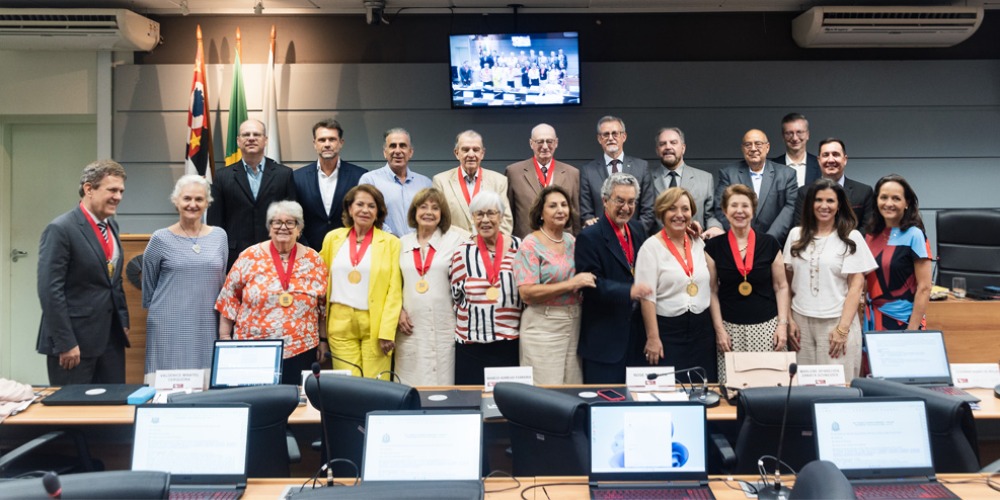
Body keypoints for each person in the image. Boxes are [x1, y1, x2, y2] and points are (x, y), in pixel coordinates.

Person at [37, 160, 130, 385]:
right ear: (89, 189)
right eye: (112, 190)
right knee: (73, 415)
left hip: (111, 340)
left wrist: (123, 321)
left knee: (111, 413)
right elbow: (50, 290)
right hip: (74, 345)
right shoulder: (61, 229)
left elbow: (113, 282)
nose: (118, 196)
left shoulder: (112, 227)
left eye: (121, 191)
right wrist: (65, 342)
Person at [215, 201, 329, 385]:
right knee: (258, 402)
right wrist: (225, 338)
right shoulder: (249, 256)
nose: (283, 227)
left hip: (301, 348)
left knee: (296, 404)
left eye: (290, 222)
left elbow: (322, 307)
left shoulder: (314, 259)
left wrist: (323, 340)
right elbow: (229, 299)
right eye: (277, 222)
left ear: (299, 228)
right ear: (269, 227)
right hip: (253, 349)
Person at [784, 179, 876, 379]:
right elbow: (787, 283)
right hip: (801, 324)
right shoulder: (795, 236)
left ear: (839, 205)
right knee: (804, 388)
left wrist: (842, 330)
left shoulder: (851, 238)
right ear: (810, 204)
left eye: (830, 201)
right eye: (818, 200)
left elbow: (856, 286)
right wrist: (789, 320)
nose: (824, 206)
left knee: (836, 390)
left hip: (836, 323)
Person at [142, 175, 228, 383]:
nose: (192, 204)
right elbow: (149, 286)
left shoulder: (219, 236)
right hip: (168, 324)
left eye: (199, 199)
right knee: (168, 387)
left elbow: (222, 280)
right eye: (187, 198)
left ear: (207, 203)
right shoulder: (160, 238)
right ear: (176, 201)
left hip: (207, 322)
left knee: (206, 387)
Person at [705, 184, 791, 384]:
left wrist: (782, 325)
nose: (740, 211)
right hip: (730, 331)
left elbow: (781, 286)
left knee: (769, 387)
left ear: (753, 210)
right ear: (725, 211)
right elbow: (712, 291)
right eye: (734, 206)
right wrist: (719, 330)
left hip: (768, 329)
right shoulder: (713, 247)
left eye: (745, 205)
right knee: (734, 389)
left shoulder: (769, 243)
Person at [513, 185, 595, 385]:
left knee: (572, 390)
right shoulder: (530, 245)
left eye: (564, 205)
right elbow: (527, 293)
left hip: (575, 322)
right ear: (541, 213)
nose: (560, 210)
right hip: (543, 326)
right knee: (546, 393)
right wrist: (570, 284)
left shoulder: (572, 241)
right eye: (553, 206)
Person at [319, 185, 402, 379]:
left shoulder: (391, 243)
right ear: (349, 208)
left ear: (379, 211)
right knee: (348, 385)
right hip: (339, 322)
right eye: (360, 204)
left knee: (377, 384)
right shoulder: (332, 239)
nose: (365, 210)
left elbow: (394, 290)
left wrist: (387, 331)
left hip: (374, 322)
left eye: (371, 206)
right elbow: (320, 276)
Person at [575, 173, 651, 383]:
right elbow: (590, 284)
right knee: (604, 404)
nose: (626, 208)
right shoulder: (588, 237)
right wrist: (628, 291)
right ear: (605, 201)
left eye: (631, 202)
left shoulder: (637, 229)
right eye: (620, 201)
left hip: (637, 339)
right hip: (604, 342)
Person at [636, 188, 717, 382]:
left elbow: (711, 279)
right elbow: (646, 297)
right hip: (668, 333)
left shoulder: (698, 242)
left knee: (703, 391)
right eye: (672, 209)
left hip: (702, 332)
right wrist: (653, 338)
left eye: (685, 209)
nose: (680, 215)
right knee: (670, 394)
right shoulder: (650, 248)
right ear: (662, 212)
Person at [395, 188, 470, 386]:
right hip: (410, 325)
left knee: (443, 385)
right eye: (423, 207)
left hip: (444, 324)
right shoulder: (400, 244)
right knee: (410, 385)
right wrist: (397, 311)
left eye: (435, 208)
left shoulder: (456, 241)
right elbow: (391, 285)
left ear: (442, 214)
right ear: (414, 211)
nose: (429, 212)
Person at [449, 191, 522, 385]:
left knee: (507, 407)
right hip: (472, 345)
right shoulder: (461, 252)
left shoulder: (519, 247)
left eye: (491, 213)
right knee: (471, 403)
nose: (485, 220)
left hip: (510, 343)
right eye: (479, 214)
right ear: (472, 218)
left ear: (501, 216)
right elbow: (456, 297)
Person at [208, 119, 297, 270]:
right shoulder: (222, 177)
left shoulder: (284, 174)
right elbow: (215, 224)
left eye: (256, 134)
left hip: (275, 254)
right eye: (245, 134)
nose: (251, 138)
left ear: (265, 140)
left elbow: (294, 219)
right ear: (238, 141)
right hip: (235, 257)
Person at [865, 174, 933, 331]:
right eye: (884, 197)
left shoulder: (915, 235)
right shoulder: (870, 235)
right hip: (872, 320)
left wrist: (912, 329)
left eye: (896, 198)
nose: (889, 203)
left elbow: (924, 287)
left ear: (906, 203)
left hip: (903, 321)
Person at [714, 129, 799, 245]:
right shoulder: (728, 174)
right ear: (743, 149)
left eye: (758, 144)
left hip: (774, 244)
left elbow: (790, 208)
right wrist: (741, 236)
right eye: (748, 145)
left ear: (767, 147)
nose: (753, 148)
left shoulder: (787, 174)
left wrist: (768, 240)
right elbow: (720, 207)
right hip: (738, 245)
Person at [293, 119, 366, 251]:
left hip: (349, 250)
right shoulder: (297, 177)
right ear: (314, 144)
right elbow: (293, 217)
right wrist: (304, 247)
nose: (327, 144)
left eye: (332, 139)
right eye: (322, 140)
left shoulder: (360, 176)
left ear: (341, 143)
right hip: (307, 251)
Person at [579, 116, 655, 232]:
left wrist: (632, 234)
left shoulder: (641, 167)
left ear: (623, 137)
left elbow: (648, 211)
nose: (611, 138)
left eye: (615, 134)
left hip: (634, 240)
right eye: (606, 134)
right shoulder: (588, 171)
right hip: (600, 240)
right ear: (599, 139)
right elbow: (586, 213)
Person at [505, 123, 580, 238]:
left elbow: (576, 217)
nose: (545, 146)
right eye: (540, 142)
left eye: (549, 141)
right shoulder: (514, 172)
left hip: (563, 245)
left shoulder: (572, 173)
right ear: (531, 143)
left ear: (556, 143)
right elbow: (508, 215)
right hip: (527, 244)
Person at [432, 130, 513, 235]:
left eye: (476, 150)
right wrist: (467, 240)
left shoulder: (499, 181)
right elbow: (439, 221)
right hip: (454, 248)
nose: (471, 154)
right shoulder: (441, 181)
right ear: (457, 153)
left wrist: (487, 244)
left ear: (482, 153)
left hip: (488, 248)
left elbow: (506, 222)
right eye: (465, 150)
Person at [651, 127, 724, 237]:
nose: (668, 147)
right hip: (658, 248)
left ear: (683, 148)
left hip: (693, 245)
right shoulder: (646, 179)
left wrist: (715, 227)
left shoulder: (705, 179)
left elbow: (710, 215)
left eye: (673, 143)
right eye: (662, 144)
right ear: (657, 150)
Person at [359, 128, 432, 237]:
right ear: (385, 152)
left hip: (418, 249)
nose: (397, 151)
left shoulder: (425, 183)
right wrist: (391, 238)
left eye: (403, 146)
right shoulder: (370, 181)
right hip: (385, 247)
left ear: (410, 152)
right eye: (393, 146)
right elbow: (365, 215)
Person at [793, 138, 873, 233]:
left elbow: (867, 230)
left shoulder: (864, 192)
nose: (830, 160)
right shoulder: (804, 193)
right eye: (826, 155)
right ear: (819, 160)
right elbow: (801, 228)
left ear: (845, 159)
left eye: (836, 154)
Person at [771, 113, 821, 188]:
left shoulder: (820, 164)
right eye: (789, 133)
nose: (794, 138)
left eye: (799, 132)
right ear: (783, 136)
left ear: (808, 134)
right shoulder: (772, 166)